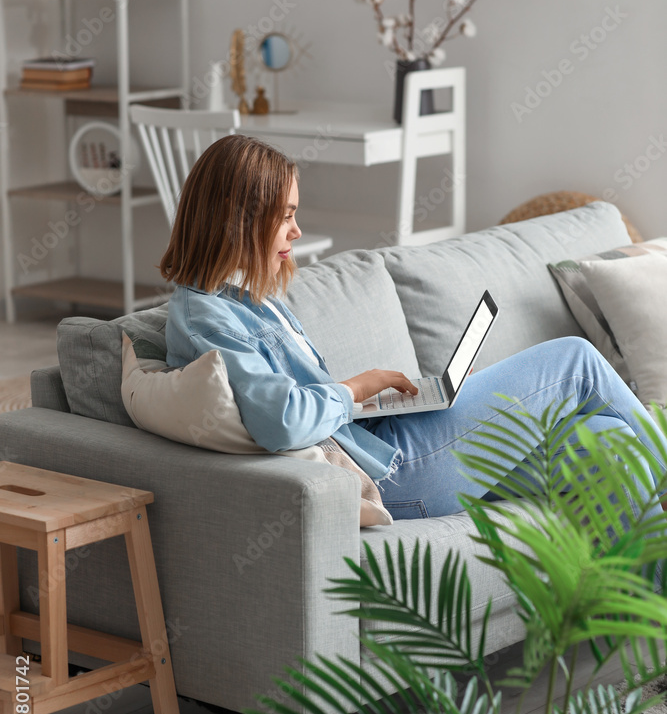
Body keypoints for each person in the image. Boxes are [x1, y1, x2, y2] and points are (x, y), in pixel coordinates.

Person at [162, 134, 666, 523]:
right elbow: (281, 422)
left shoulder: (250, 298)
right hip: (395, 474)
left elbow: (298, 402)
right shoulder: (207, 317)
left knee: (607, 443)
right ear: (241, 219)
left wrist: (365, 399)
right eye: (286, 216)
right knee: (573, 360)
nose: (296, 231)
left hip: (380, 438)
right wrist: (354, 388)